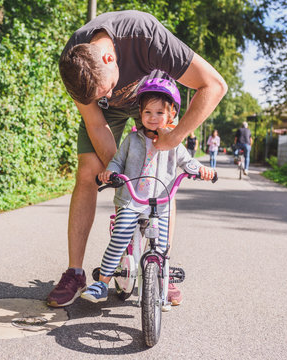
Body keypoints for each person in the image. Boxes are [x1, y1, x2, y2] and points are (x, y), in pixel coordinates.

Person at [47, 10, 227, 308]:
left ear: (109, 58)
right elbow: (95, 123)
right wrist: (123, 174)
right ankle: (75, 272)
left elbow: (215, 85)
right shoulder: (74, 62)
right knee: (88, 171)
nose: (108, 95)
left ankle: (162, 266)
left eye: (105, 90)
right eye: (101, 95)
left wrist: (174, 137)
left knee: (163, 175)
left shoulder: (144, 36)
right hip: (110, 119)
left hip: (153, 100)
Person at [81, 77, 215, 304]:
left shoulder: (174, 143)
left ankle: (161, 286)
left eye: (160, 113)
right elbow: (117, 162)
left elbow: (188, 162)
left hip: (160, 205)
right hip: (132, 201)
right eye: (148, 113)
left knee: (162, 248)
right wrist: (109, 173)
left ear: (171, 114)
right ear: (140, 114)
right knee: (119, 237)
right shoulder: (132, 139)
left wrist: (201, 169)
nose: (153, 118)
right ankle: (102, 283)